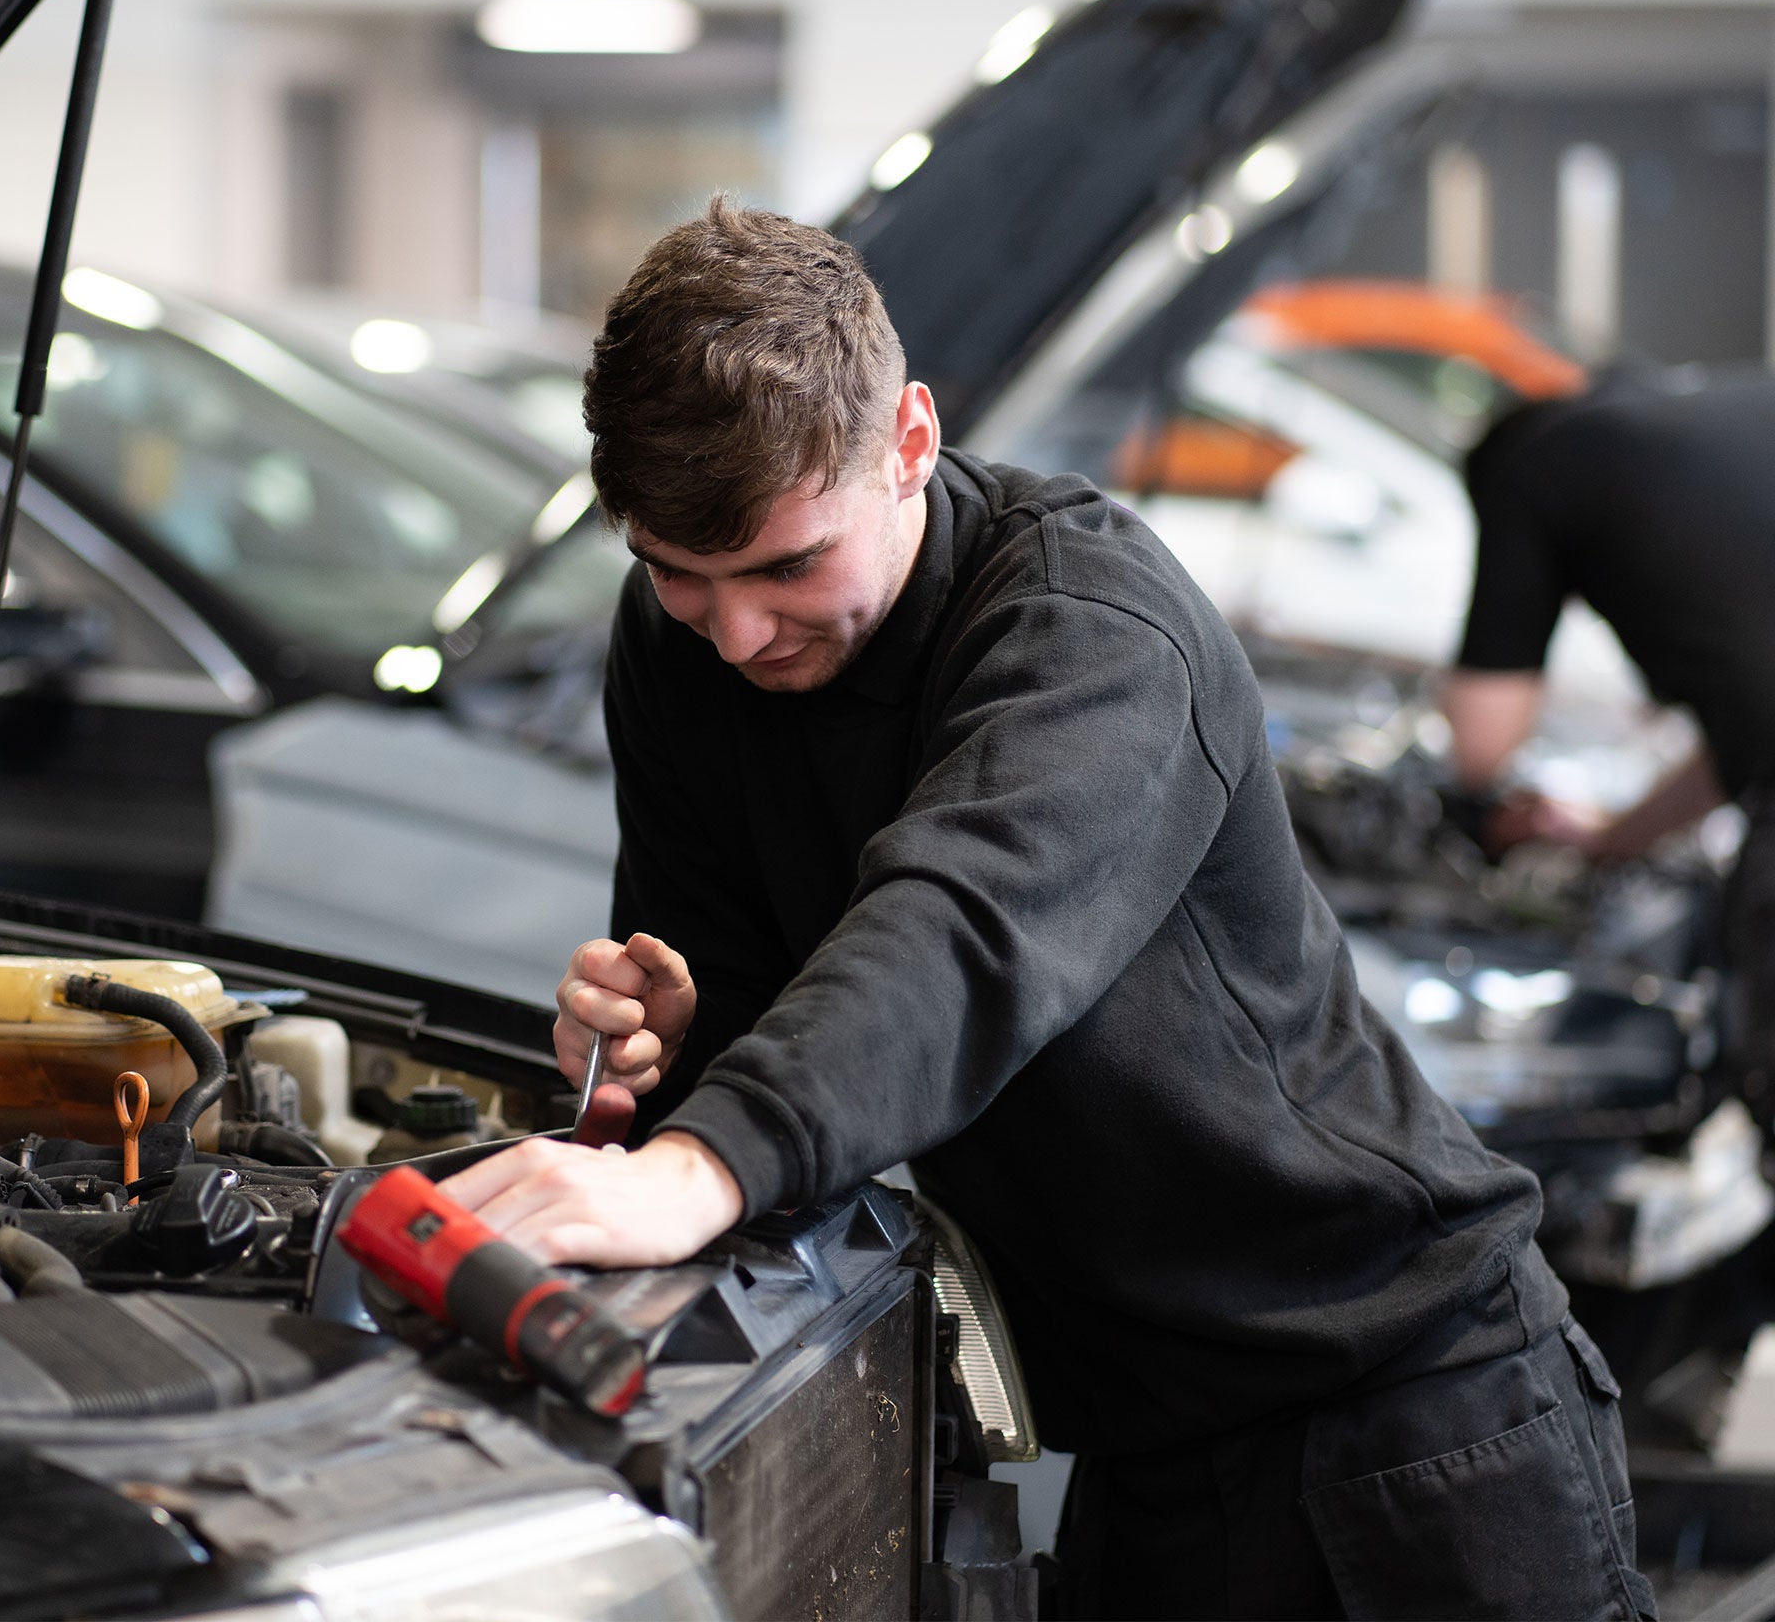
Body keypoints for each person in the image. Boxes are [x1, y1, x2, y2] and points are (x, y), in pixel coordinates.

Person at [441, 200, 1651, 1621]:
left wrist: (694, 1165)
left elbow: (963, 932)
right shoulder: (682, 647)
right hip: (1111, 1439)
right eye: (677, 572)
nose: (739, 632)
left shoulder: (1089, 625)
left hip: (1399, 1411)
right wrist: (685, 1039)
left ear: (908, 444)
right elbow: (781, 1039)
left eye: (785, 567)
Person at [1440, 361, 1775, 1110]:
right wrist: (1608, 838)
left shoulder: (1531, 464)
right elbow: (1744, 749)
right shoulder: (1725, 409)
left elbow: (1481, 747)